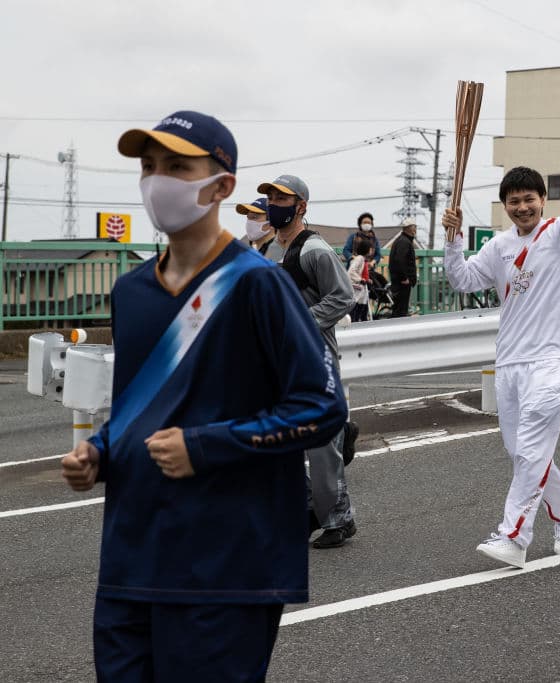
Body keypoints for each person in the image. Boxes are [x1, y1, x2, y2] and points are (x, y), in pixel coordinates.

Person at [59, 111, 347, 681]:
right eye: (148, 166)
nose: (156, 180)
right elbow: (141, 409)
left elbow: (322, 406)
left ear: (221, 186)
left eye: (176, 166)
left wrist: (207, 445)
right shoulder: (132, 291)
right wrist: (100, 449)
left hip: (226, 567)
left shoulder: (258, 284)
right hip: (131, 559)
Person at [440, 119, 560, 569]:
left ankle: (514, 536)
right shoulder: (499, 247)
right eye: (514, 201)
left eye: (529, 199)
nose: (522, 207)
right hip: (510, 360)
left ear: (542, 201)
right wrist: (451, 238)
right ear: (505, 206)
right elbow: (462, 279)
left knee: (530, 448)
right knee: (521, 450)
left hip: (550, 356)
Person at [259, 173, 360, 548]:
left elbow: (343, 297)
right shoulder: (272, 249)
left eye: (282, 199)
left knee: (318, 443)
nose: (274, 205)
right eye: (270, 198)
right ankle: (309, 506)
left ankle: (338, 518)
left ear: (301, 205)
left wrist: (302, 323)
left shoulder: (314, 250)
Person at [388, 217, 419, 318]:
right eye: (413, 227)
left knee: (399, 309)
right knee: (400, 310)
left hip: (399, 281)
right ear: (407, 228)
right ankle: (396, 330)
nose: (415, 229)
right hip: (402, 283)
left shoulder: (402, 240)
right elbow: (399, 260)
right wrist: (404, 278)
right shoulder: (404, 242)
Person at [347, 238, 372, 323]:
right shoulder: (359, 258)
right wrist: (360, 279)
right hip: (357, 288)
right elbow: (351, 271)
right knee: (357, 307)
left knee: (362, 307)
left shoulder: (363, 259)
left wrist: (367, 280)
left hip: (362, 288)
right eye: (370, 248)